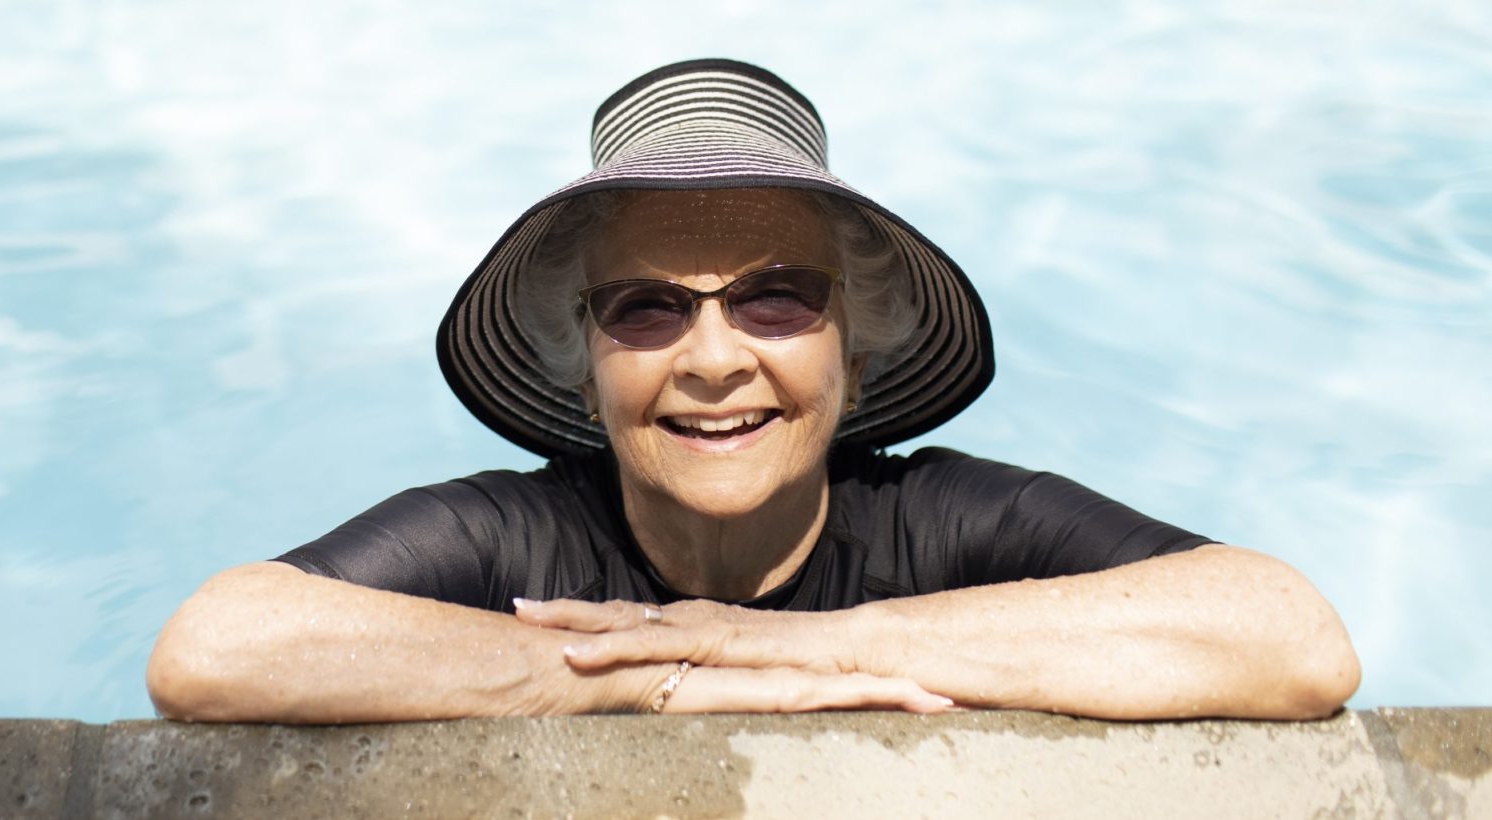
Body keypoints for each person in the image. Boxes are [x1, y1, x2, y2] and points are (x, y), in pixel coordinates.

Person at [145, 58, 1360, 723]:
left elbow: (1289, 636)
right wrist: (656, 676)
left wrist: (815, 645)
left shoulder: (939, 520)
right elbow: (218, 646)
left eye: (776, 297)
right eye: (647, 307)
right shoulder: (515, 532)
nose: (715, 357)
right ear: (586, 362)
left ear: (855, 348)